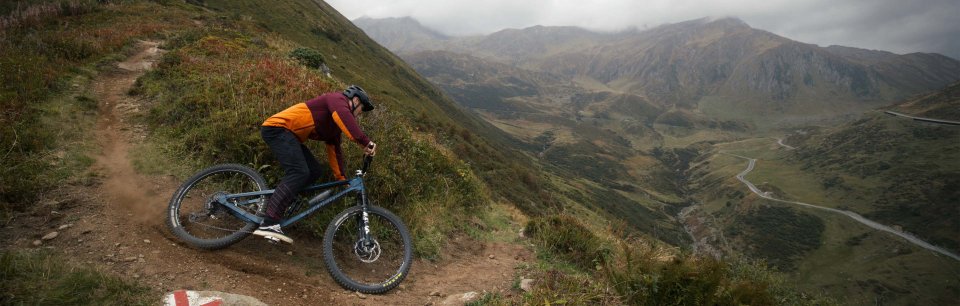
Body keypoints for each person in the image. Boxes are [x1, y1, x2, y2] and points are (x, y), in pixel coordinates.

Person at [254, 85, 376, 243]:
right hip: (277, 129)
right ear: (355, 100)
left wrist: (342, 180)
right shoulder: (337, 100)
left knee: (314, 171)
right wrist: (366, 142)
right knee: (299, 172)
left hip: (290, 136)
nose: (359, 114)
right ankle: (269, 222)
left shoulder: (333, 127)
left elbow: (335, 151)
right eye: (361, 109)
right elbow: (345, 118)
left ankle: (282, 202)